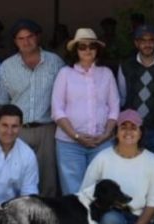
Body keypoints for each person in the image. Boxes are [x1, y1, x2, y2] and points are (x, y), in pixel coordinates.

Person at [80, 109, 154, 224]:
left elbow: (153, 205)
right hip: (111, 217)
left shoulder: (152, 160)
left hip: (140, 219)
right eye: (123, 127)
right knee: (110, 223)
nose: (128, 132)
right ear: (116, 132)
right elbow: (84, 194)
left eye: (134, 127)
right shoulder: (103, 158)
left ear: (141, 133)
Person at [0, 19, 65, 197]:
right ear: (15, 41)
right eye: (21, 38)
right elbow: (2, 102)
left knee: (48, 179)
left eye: (30, 37)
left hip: (47, 128)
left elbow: (66, 95)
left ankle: (47, 220)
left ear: (38, 37)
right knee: (17, 175)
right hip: (19, 129)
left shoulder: (55, 62)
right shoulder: (7, 66)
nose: (26, 42)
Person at [51, 28, 119, 195]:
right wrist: (76, 135)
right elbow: (57, 110)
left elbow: (114, 107)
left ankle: (100, 222)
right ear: (76, 50)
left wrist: (106, 134)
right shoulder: (65, 74)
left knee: (101, 192)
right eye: (82, 47)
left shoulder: (106, 73)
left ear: (97, 49)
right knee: (73, 193)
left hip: (101, 142)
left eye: (92, 46)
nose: (87, 50)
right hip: (69, 144)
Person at [116, 24, 154, 164]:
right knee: (134, 171)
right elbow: (122, 97)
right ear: (136, 43)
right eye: (142, 40)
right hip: (134, 130)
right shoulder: (126, 65)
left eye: (151, 40)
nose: (147, 44)